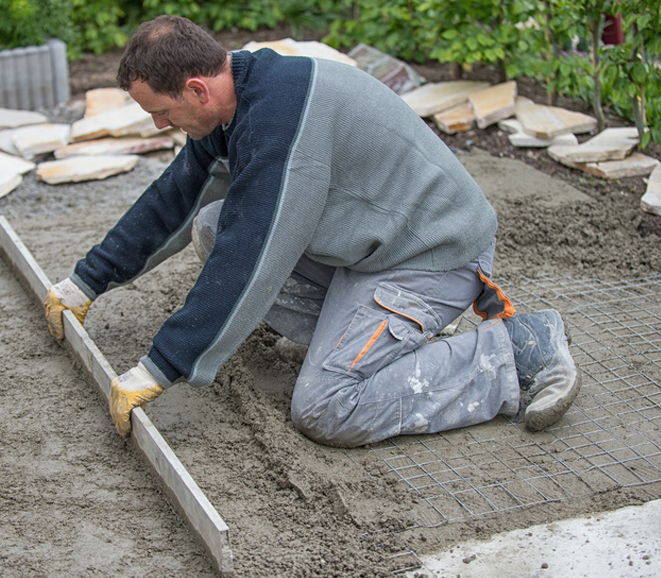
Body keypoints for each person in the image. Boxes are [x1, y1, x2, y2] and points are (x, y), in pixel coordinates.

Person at [44, 15, 581, 447]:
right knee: (210, 223)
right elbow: (176, 196)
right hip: (372, 250)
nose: (160, 125)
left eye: (162, 112)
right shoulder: (241, 99)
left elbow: (252, 256)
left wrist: (161, 365)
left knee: (327, 407)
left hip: (431, 256)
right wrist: (86, 281)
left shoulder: (283, 124)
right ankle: (376, 344)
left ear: (195, 89)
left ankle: (515, 352)